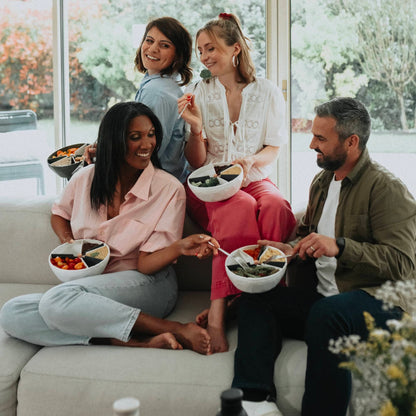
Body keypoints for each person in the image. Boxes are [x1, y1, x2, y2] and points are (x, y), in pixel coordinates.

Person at [230, 97, 416, 416]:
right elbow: (310, 236)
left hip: (381, 305)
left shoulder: (386, 189)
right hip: (326, 302)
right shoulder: (323, 180)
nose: (312, 144)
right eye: (313, 135)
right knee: (253, 300)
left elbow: (404, 264)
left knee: (327, 314)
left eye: (321, 138)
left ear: (352, 141)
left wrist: (340, 246)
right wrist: (290, 250)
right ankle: (257, 404)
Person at [0, 101, 219, 355]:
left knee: (57, 300)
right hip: (92, 284)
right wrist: (70, 242)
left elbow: (146, 265)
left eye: (151, 135)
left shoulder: (169, 189)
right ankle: (128, 340)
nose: (147, 144)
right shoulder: (85, 177)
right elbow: (59, 213)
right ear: (113, 140)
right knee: (12, 312)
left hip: (148, 283)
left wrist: (179, 247)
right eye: (135, 137)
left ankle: (173, 327)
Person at [178, 13, 296, 353]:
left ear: (235, 49)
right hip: (211, 187)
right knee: (241, 206)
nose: (204, 57)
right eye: (200, 51)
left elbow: (273, 148)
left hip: (254, 177)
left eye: (211, 48)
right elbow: (198, 162)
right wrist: (196, 127)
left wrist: (250, 161)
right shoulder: (200, 91)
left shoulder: (268, 91)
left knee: (274, 205)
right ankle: (218, 312)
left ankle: (258, 298)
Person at [85, 17, 192, 183]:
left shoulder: (157, 92)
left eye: (165, 45)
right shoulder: (164, 80)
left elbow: (147, 149)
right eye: (149, 40)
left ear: (178, 55)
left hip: (153, 184)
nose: (153, 49)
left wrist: (106, 154)